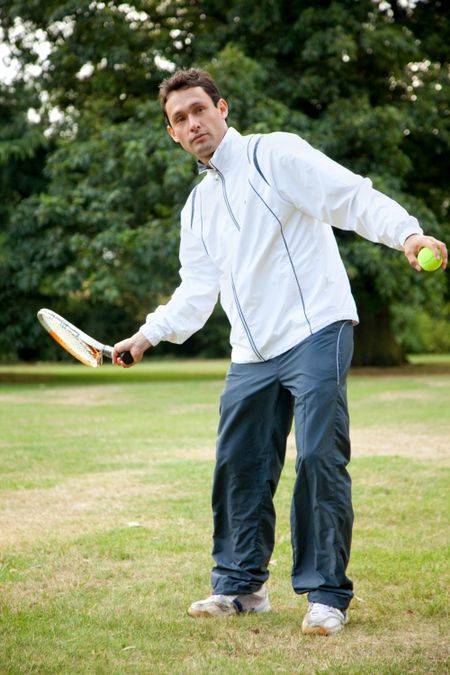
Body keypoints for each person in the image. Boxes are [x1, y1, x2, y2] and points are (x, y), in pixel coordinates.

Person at [112, 68, 447, 635]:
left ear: (222, 108)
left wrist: (407, 235)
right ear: (172, 134)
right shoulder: (196, 208)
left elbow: (350, 197)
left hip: (317, 325)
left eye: (199, 110)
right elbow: (196, 292)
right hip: (251, 350)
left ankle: (325, 595)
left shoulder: (275, 155)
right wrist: (146, 335)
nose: (193, 124)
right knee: (238, 465)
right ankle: (241, 587)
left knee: (318, 454)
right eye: (180, 119)